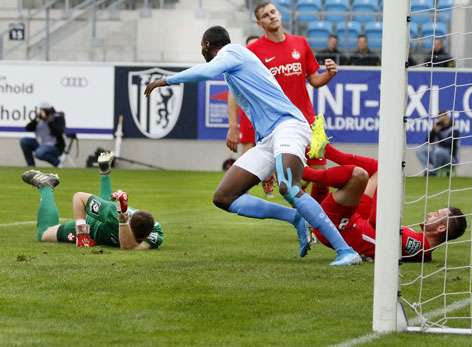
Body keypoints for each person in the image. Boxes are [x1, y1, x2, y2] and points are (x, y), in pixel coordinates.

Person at [144, 26, 361, 266]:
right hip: (268, 138)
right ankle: (295, 217)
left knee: (288, 186)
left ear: (206, 45)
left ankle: (346, 251)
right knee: (224, 197)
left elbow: (207, 72)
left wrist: (166, 80)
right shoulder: (233, 64)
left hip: (288, 125)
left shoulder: (233, 51)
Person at [305, 130, 467, 260]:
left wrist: (386, 189)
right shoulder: (420, 242)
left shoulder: (417, 245)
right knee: (377, 170)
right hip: (351, 223)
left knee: (360, 175)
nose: (431, 213)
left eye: (436, 214)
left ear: (441, 227)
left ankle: (302, 168)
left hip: (339, 228)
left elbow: (377, 223)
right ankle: (322, 152)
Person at [231, 1, 335, 204]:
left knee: (321, 177)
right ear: (259, 23)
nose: (271, 16)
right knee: (290, 181)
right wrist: (233, 125)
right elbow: (236, 88)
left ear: (279, 13)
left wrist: (329, 74)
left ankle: (316, 221)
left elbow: (314, 80)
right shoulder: (253, 51)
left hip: (308, 121)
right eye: (266, 15)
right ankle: (307, 220)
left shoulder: (301, 43)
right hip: (280, 127)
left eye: (273, 11)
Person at [21, 151, 164, 250]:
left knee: (104, 203)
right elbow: (79, 197)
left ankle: (104, 172)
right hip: (92, 227)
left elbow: (129, 246)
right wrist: (82, 233)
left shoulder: (155, 233)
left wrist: (124, 225)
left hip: (109, 219)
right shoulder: (112, 214)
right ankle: (45, 185)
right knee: (44, 234)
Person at [227, 35, 276, 198]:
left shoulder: (266, 65)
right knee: (248, 146)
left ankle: (269, 183)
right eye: (250, 46)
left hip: (268, 112)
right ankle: (243, 185)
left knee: (271, 147)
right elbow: (233, 93)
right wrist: (233, 125)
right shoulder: (240, 67)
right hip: (249, 112)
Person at [20, 102, 66, 167]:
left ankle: (57, 163)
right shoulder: (39, 118)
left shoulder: (57, 118)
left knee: (39, 153)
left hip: (54, 146)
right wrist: (36, 120)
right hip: (40, 143)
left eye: (44, 110)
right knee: (24, 141)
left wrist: (50, 122)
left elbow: (58, 132)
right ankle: (31, 165)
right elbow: (28, 128)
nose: (43, 112)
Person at [416, 111, 460, 176]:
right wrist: (433, 131)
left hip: (450, 158)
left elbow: (447, 144)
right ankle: (428, 169)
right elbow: (428, 141)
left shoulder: (454, 130)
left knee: (439, 151)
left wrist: (438, 133)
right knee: (421, 150)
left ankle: (433, 172)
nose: (440, 119)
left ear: (447, 117)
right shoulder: (439, 126)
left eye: (442, 117)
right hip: (436, 155)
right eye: (439, 117)